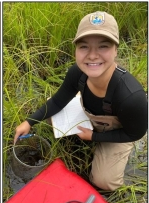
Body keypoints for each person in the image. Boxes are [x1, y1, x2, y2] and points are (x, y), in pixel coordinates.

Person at [13, 11, 147, 191]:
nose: (92, 55)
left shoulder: (132, 98)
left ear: (116, 50)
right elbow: (58, 101)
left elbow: (135, 134)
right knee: (48, 117)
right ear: (75, 50)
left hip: (120, 131)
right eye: (84, 47)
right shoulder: (77, 73)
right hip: (91, 116)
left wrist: (94, 137)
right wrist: (29, 122)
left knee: (104, 182)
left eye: (103, 46)